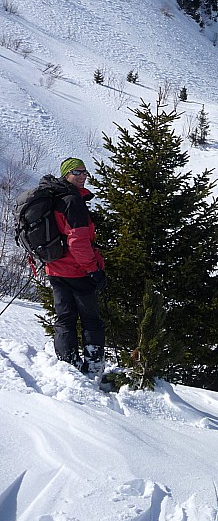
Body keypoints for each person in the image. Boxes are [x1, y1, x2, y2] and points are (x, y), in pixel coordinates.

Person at [46, 158, 107, 375]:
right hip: (77, 270)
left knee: (65, 318)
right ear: (66, 174)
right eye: (76, 172)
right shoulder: (72, 201)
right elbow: (79, 242)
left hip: (54, 268)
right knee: (91, 320)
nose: (82, 176)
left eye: (84, 172)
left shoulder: (54, 197)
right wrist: (93, 270)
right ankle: (94, 368)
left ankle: (67, 366)